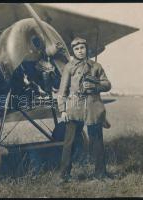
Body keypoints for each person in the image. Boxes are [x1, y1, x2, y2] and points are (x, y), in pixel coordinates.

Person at [56, 37, 112, 183]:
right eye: (76, 49)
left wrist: (95, 86)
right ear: (73, 51)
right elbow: (62, 91)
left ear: (86, 49)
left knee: (97, 141)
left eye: (82, 48)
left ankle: (101, 174)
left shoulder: (96, 66)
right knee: (69, 142)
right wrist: (63, 110)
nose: (80, 51)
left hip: (93, 107)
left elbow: (107, 84)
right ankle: (64, 175)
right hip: (74, 107)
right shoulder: (69, 67)